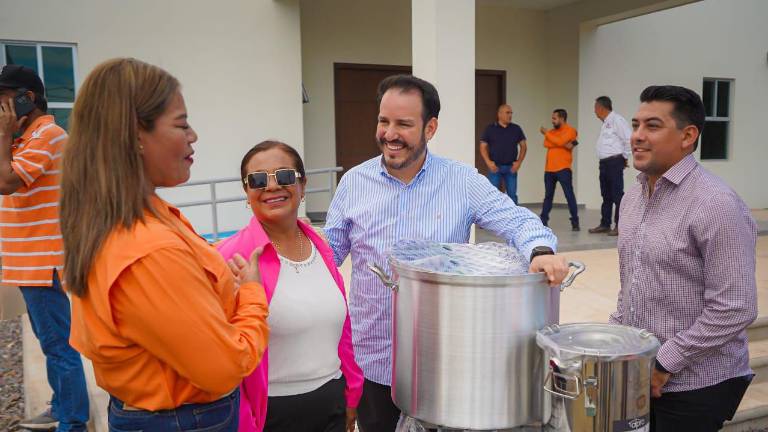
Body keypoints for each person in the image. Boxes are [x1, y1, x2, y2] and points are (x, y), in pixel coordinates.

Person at [324, 74, 570, 432]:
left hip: (443, 367)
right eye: (383, 121)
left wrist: (542, 251)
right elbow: (327, 256)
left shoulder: (461, 181)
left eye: (404, 124)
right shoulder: (353, 183)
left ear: (431, 127)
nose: (389, 134)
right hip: (375, 361)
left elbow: (518, 221)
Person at [60, 58, 270, 432]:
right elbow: (222, 368)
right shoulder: (148, 250)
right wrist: (252, 294)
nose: (193, 136)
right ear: (135, 134)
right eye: (181, 124)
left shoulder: (140, 217)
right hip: (184, 419)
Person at [609, 85, 757, 432]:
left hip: (698, 383)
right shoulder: (632, 198)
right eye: (635, 125)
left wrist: (664, 363)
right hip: (640, 374)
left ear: (688, 135)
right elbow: (631, 283)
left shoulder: (716, 203)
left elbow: (735, 306)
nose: (637, 137)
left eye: (653, 126)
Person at [216, 140, 364, 432]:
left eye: (284, 176)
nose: (272, 187)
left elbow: (342, 329)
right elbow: (221, 355)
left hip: (330, 404)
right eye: (257, 180)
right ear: (247, 194)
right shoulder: (229, 256)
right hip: (268, 414)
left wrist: (351, 394)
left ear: (302, 186)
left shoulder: (320, 246)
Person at [0, 64, 89, 432]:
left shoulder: (48, 135)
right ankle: (60, 405)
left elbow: (5, 182)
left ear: (27, 99)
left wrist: (3, 135)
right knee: (50, 343)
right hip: (28, 262)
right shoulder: (24, 139)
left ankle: (73, 421)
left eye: (3, 102)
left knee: (59, 347)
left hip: (42, 262)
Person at [589, 95, 631, 236]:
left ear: (601, 108)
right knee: (606, 195)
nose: (594, 111)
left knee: (617, 195)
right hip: (605, 163)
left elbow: (628, 140)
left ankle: (620, 226)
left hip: (614, 162)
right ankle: (605, 224)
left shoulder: (617, 120)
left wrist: (624, 158)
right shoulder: (606, 123)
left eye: (595, 108)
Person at [538, 108, 579, 231]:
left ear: (562, 118)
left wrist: (547, 134)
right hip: (549, 169)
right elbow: (546, 144)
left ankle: (575, 221)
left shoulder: (571, 131)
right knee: (548, 196)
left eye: (554, 118)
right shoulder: (552, 132)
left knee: (569, 195)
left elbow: (558, 141)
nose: (552, 121)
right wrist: (560, 143)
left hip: (563, 169)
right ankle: (543, 221)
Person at [479, 104, 527, 203]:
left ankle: (513, 218)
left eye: (511, 113)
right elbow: (482, 146)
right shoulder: (490, 129)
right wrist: (488, 162)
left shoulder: (516, 129)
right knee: (492, 195)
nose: (510, 115)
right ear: (499, 114)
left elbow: (523, 146)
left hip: (511, 168)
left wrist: (519, 162)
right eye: (507, 113)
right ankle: (493, 217)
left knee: (512, 195)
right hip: (495, 168)